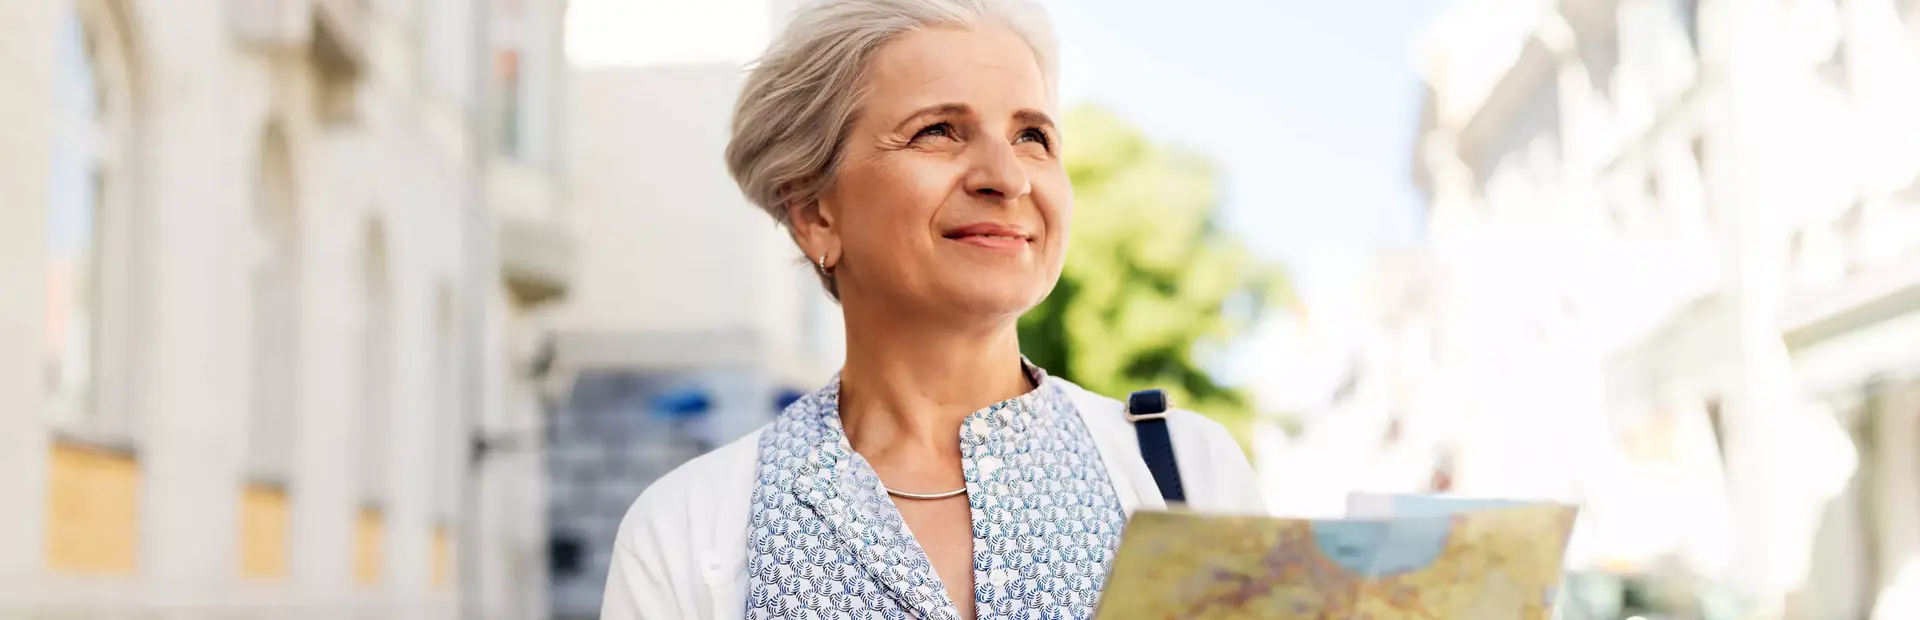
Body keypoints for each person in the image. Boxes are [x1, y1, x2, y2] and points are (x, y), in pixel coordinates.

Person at [599, 1, 1267, 618]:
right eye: (940, 131)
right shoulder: (687, 529)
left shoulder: (1186, 471)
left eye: (1032, 136)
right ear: (813, 213)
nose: (1006, 178)